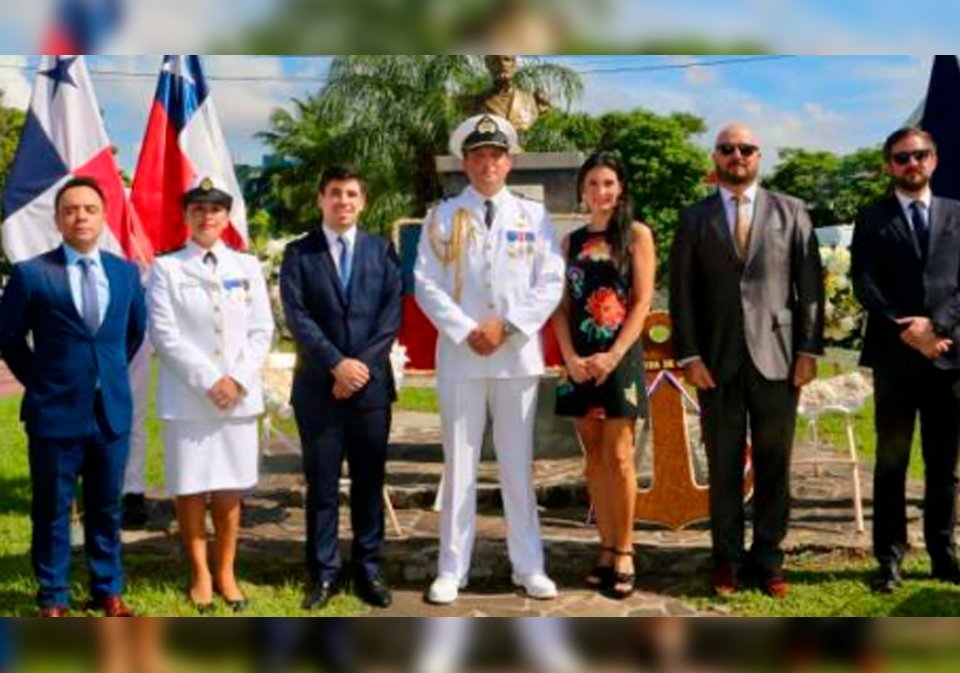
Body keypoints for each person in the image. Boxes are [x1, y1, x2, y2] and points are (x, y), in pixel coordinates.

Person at [414, 113, 566, 604]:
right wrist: (465, 329)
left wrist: (509, 326)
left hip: (515, 356)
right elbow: (425, 283)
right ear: (465, 162)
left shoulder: (533, 217)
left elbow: (551, 280)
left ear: (510, 161)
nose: (487, 164)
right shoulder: (441, 216)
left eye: (496, 155)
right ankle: (451, 570)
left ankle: (529, 566)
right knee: (458, 466)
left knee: (518, 466)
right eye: (478, 156)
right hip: (462, 358)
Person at [669, 123, 824, 599]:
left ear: (760, 155)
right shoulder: (694, 218)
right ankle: (727, 560)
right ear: (715, 156)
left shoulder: (792, 212)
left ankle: (769, 558)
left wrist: (808, 351)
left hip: (778, 361)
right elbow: (682, 294)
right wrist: (689, 354)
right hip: (715, 363)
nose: (737, 155)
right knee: (724, 465)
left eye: (746, 148)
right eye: (727, 148)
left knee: (775, 464)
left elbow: (810, 290)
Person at [0, 176, 147, 617]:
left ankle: (107, 589)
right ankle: (53, 596)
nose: (80, 216)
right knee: (52, 510)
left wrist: (107, 375)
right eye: (71, 210)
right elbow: (8, 339)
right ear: (58, 219)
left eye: (89, 209)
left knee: (106, 508)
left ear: (103, 217)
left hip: (110, 415)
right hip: (55, 414)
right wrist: (43, 382)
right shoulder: (31, 274)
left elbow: (133, 334)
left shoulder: (124, 273)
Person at [147, 176, 275, 613]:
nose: (207, 216)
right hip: (188, 398)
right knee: (190, 488)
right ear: (186, 216)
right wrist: (209, 379)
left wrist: (236, 380)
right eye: (198, 209)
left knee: (229, 491)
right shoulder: (166, 268)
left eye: (215, 209)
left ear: (226, 217)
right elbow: (164, 334)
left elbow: (262, 330)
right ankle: (200, 573)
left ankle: (226, 571)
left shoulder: (247, 266)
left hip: (237, 399)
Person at [280, 165, 403, 611]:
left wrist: (359, 369)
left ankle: (369, 568)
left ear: (363, 202)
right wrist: (335, 364)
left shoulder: (381, 251)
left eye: (352, 194)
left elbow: (391, 314)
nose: (344, 201)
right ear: (321, 199)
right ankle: (324, 573)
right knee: (323, 486)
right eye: (335, 193)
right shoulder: (300, 253)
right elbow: (297, 316)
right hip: (318, 390)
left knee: (370, 483)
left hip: (370, 391)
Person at [851, 128, 960, 593]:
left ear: (933, 160)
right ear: (889, 165)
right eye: (901, 158)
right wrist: (908, 328)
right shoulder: (871, 218)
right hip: (895, 359)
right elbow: (865, 282)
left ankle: (943, 554)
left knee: (943, 465)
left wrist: (937, 327)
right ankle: (889, 558)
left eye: (919, 155)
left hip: (948, 356)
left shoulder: (958, 214)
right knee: (891, 463)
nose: (911, 164)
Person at [551, 151, 655, 600]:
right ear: (582, 190)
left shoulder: (636, 236)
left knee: (619, 457)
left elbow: (642, 302)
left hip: (620, 359)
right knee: (592, 458)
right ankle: (606, 547)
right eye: (592, 184)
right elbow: (561, 308)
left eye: (609, 183)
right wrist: (570, 356)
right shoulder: (568, 242)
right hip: (577, 362)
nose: (601, 192)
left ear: (621, 188)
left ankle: (627, 549)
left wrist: (612, 355)